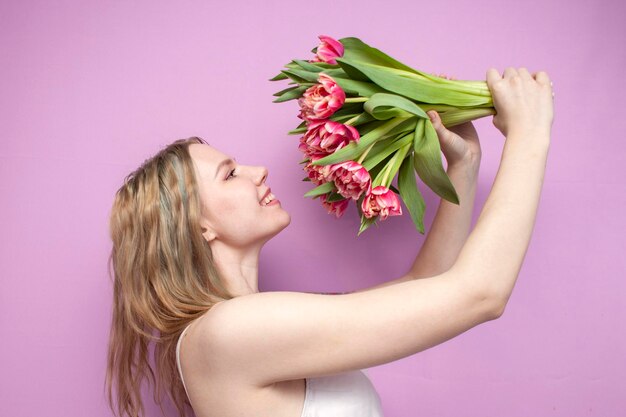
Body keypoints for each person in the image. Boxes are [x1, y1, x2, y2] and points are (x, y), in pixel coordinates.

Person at [105, 67, 554, 417]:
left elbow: (427, 281)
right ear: (199, 226)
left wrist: (465, 167)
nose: (257, 171)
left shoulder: (249, 327)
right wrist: (530, 134)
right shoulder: (229, 332)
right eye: (230, 173)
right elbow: (480, 295)